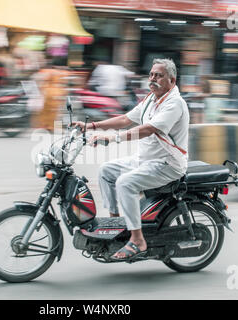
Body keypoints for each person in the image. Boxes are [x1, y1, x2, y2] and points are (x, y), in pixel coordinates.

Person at [72, 58, 189, 261]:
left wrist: (112, 138)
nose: (152, 78)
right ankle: (116, 223)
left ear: (172, 79)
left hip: (167, 164)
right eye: (151, 74)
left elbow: (148, 129)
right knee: (106, 171)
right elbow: (126, 119)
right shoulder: (151, 100)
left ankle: (137, 240)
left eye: (158, 75)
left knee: (125, 183)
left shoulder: (174, 104)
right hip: (146, 160)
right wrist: (91, 126)